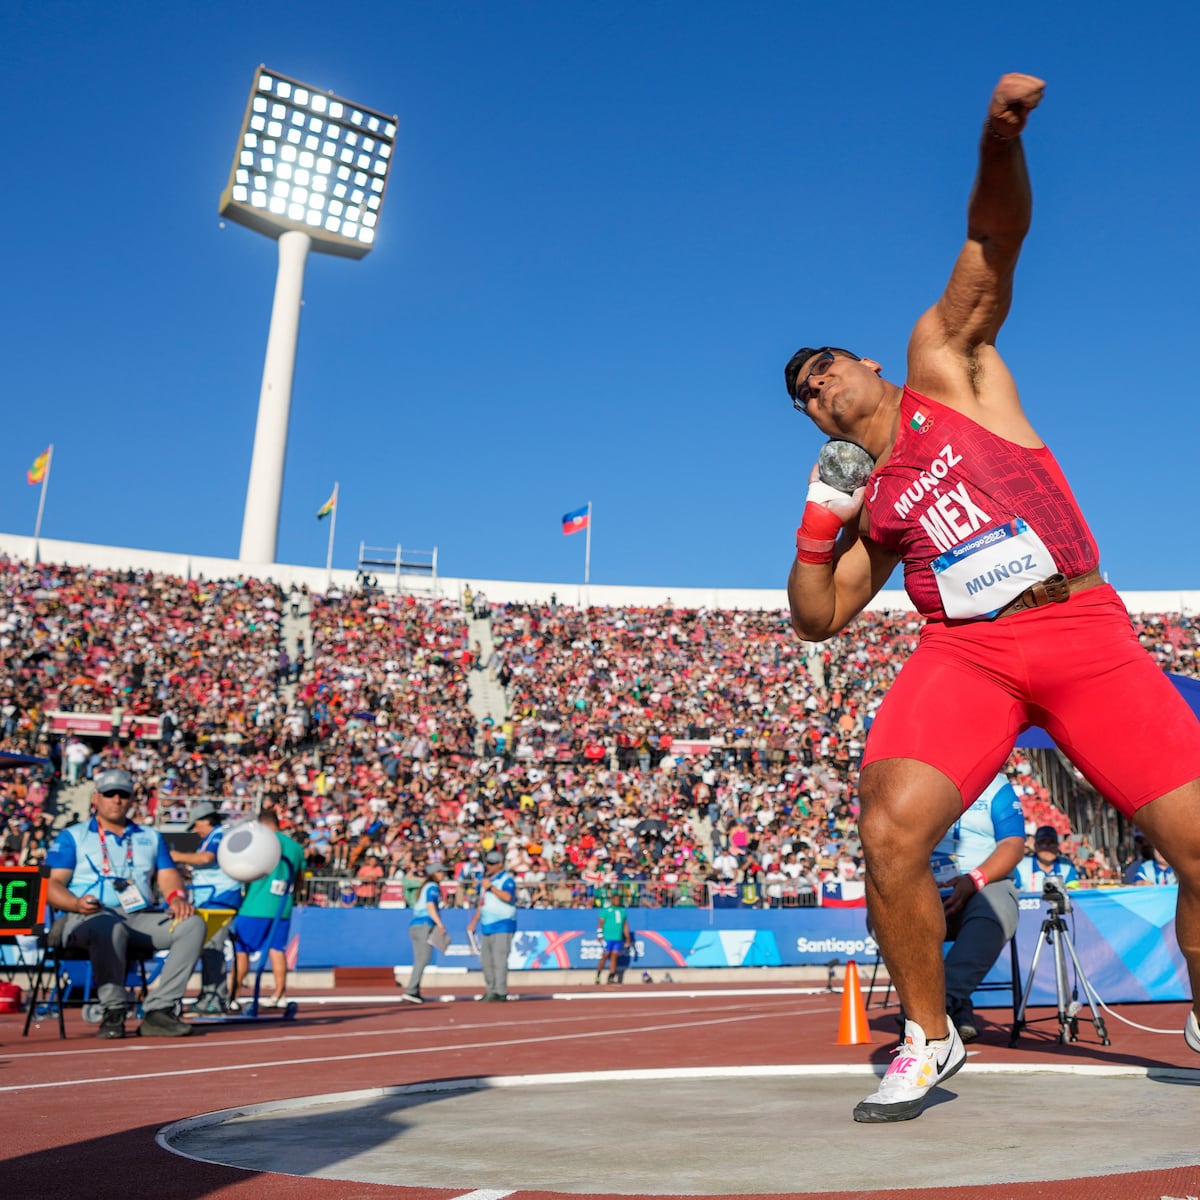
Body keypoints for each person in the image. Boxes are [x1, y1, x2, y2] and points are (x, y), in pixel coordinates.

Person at [783, 73, 1200, 1122]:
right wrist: (818, 525)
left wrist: (997, 137)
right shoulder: (870, 504)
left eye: (824, 368)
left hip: (1078, 626)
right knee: (890, 831)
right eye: (804, 396)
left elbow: (992, 243)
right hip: (967, 653)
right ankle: (930, 1037)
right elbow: (818, 618)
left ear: (866, 363)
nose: (818, 388)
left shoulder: (945, 369)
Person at [43, 767, 205, 1039]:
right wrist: (76, 903)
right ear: (96, 798)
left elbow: (168, 875)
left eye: (123, 794)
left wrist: (177, 897)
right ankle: (113, 1009)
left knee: (192, 925)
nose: (116, 799)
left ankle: (160, 1011)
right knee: (109, 926)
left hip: (138, 916)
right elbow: (51, 885)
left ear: (132, 799)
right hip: (86, 917)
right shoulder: (73, 836)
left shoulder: (150, 836)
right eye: (110, 794)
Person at [930, 773, 1026, 1043]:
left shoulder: (996, 784)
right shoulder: (918, 776)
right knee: (884, 916)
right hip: (926, 884)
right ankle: (954, 1009)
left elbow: (1013, 844)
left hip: (984, 881)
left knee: (995, 910)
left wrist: (975, 880)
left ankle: (936, 1006)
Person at [170, 801, 242, 1014]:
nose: (195, 830)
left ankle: (214, 999)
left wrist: (177, 856)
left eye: (196, 825)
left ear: (206, 820)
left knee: (212, 950)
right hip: (210, 898)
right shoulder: (210, 838)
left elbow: (207, 858)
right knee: (208, 950)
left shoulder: (219, 835)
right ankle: (209, 996)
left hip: (219, 899)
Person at [229, 808, 305, 1010]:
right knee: (277, 950)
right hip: (282, 907)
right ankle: (280, 995)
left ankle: (233, 996)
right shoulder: (295, 847)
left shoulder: (259, 842)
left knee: (242, 951)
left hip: (254, 906)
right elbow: (299, 880)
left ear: (262, 824)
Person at [467, 849, 517, 1001]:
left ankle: (501, 991)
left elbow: (508, 897)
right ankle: (491, 990)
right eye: (487, 863)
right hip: (487, 924)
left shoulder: (506, 880)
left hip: (503, 924)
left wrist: (491, 888)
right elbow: (482, 903)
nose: (489, 866)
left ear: (500, 864)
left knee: (499, 959)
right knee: (486, 960)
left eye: (492, 864)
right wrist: (474, 922)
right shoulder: (485, 881)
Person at [402, 861, 448, 1004]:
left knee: (420, 959)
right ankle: (411, 990)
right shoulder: (432, 886)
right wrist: (440, 923)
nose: (443, 874)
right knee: (423, 959)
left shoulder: (424, 886)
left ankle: (414, 990)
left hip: (416, 925)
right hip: (424, 924)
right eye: (440, 872)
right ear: (434, 873)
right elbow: (430, 905)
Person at [1014, 826, 1080, 893]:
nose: (1048, 847)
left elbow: (1073, 892)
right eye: (1043, 843)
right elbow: (1014, 891)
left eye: (1052, 843)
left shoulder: (1068, 866)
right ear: (1036, 846)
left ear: (1057, 846)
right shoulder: (1020, 866)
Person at [594, 891, 634, 985]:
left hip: (617, 938)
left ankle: (611, 976)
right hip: (607, 937)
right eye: (615, 899)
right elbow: (600, 922)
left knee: (614, 957)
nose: (617, 901)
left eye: (618, 899)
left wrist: (627, 937)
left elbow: (625, 925)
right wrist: (600, 935)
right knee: (605, 955)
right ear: (612, 900)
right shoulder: (606, 910)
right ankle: (598, 974)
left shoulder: (622, 911)